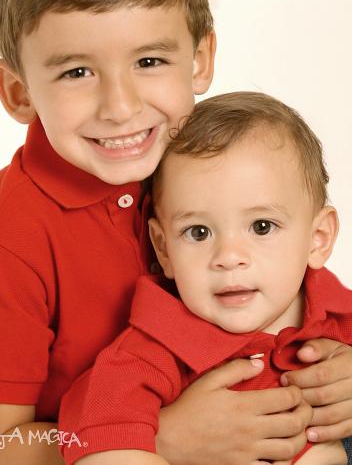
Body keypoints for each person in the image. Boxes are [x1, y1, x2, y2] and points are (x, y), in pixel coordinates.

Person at [0, 0, 351, 464]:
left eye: (149, 62)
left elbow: (290, 287)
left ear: (200, 59)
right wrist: (161, 436)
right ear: (18, 91)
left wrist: (336, 374)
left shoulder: (200, 160)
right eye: (77, 71)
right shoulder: (3, 242)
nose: (120, 108)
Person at [58, 91, 351, 465]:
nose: (229, 258)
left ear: (318, 238)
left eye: (262, 227)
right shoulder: (149, 354)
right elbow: (101, 448)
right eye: (198, 232)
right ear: (164, 250)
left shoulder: (339, 316)